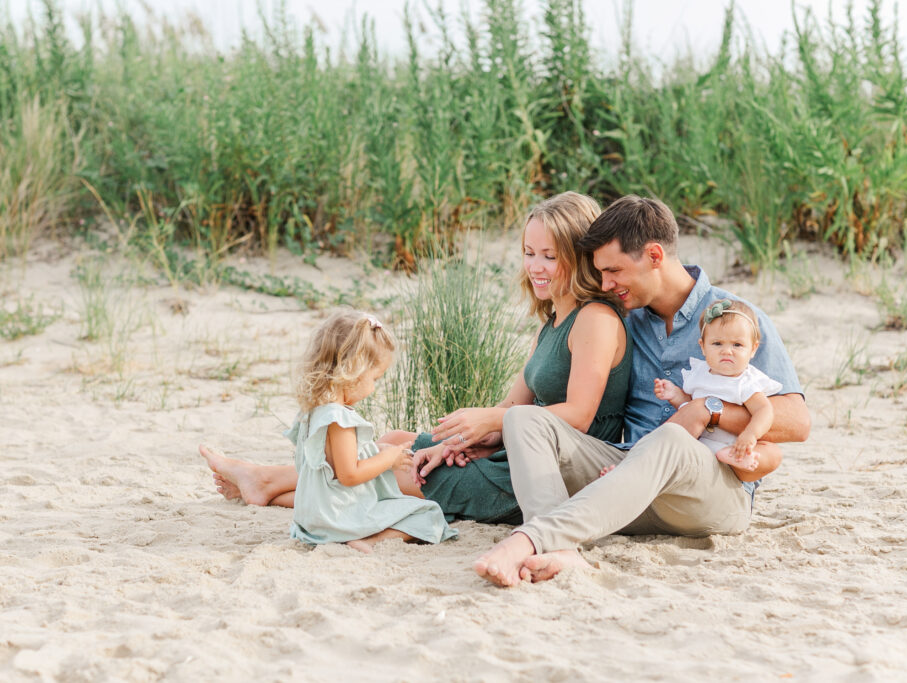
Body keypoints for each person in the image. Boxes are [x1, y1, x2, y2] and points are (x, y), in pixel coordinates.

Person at [200, 191, 632, 524]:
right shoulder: (554, 320)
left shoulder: (594, 319)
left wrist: (494, 424)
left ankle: (267, 483)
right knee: (394, 443)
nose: (535, 266)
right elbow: (511, 408)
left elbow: (577, 415)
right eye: (529, 252)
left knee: (398, 472)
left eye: (550, 257)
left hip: (552, 469)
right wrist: (461, 442)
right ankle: (268, 486)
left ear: (578, 257)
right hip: (519, 448)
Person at [474, 195, 810, 587]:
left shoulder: (734, 318)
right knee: (524, 419)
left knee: (670, 438)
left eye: (614, 270)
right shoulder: (624, 319)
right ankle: (559, 549)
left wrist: (708, 410)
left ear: (654, 255)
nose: (605, 284)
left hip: (710, 491)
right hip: (626, 481)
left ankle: (530, 539)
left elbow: (797, 423)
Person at [205, 310, 456, 553]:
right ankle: (371, 541)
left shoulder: (314, 413)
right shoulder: (340, 420)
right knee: (428, 514)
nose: (374, 388)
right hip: (338, 520)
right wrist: (387, 460)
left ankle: (263, 486)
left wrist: (375, 450)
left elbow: (331, 466)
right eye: (375, 379)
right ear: (353, 371)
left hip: (312, 519)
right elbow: (349, 475)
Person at [653, 298, 782, 473]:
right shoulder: (699, 373)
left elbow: (764, 410)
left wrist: (751, 434)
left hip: (730, 443)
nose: (727, 351)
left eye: (737, 345)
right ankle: (638, 466)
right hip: (697, 442)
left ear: (753, 349)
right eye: (717, 343)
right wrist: (675, 395)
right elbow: (690, 405)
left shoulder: (745, 381)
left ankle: (736, 457)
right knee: (665, 443)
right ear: (703, 347)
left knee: (767, 450)